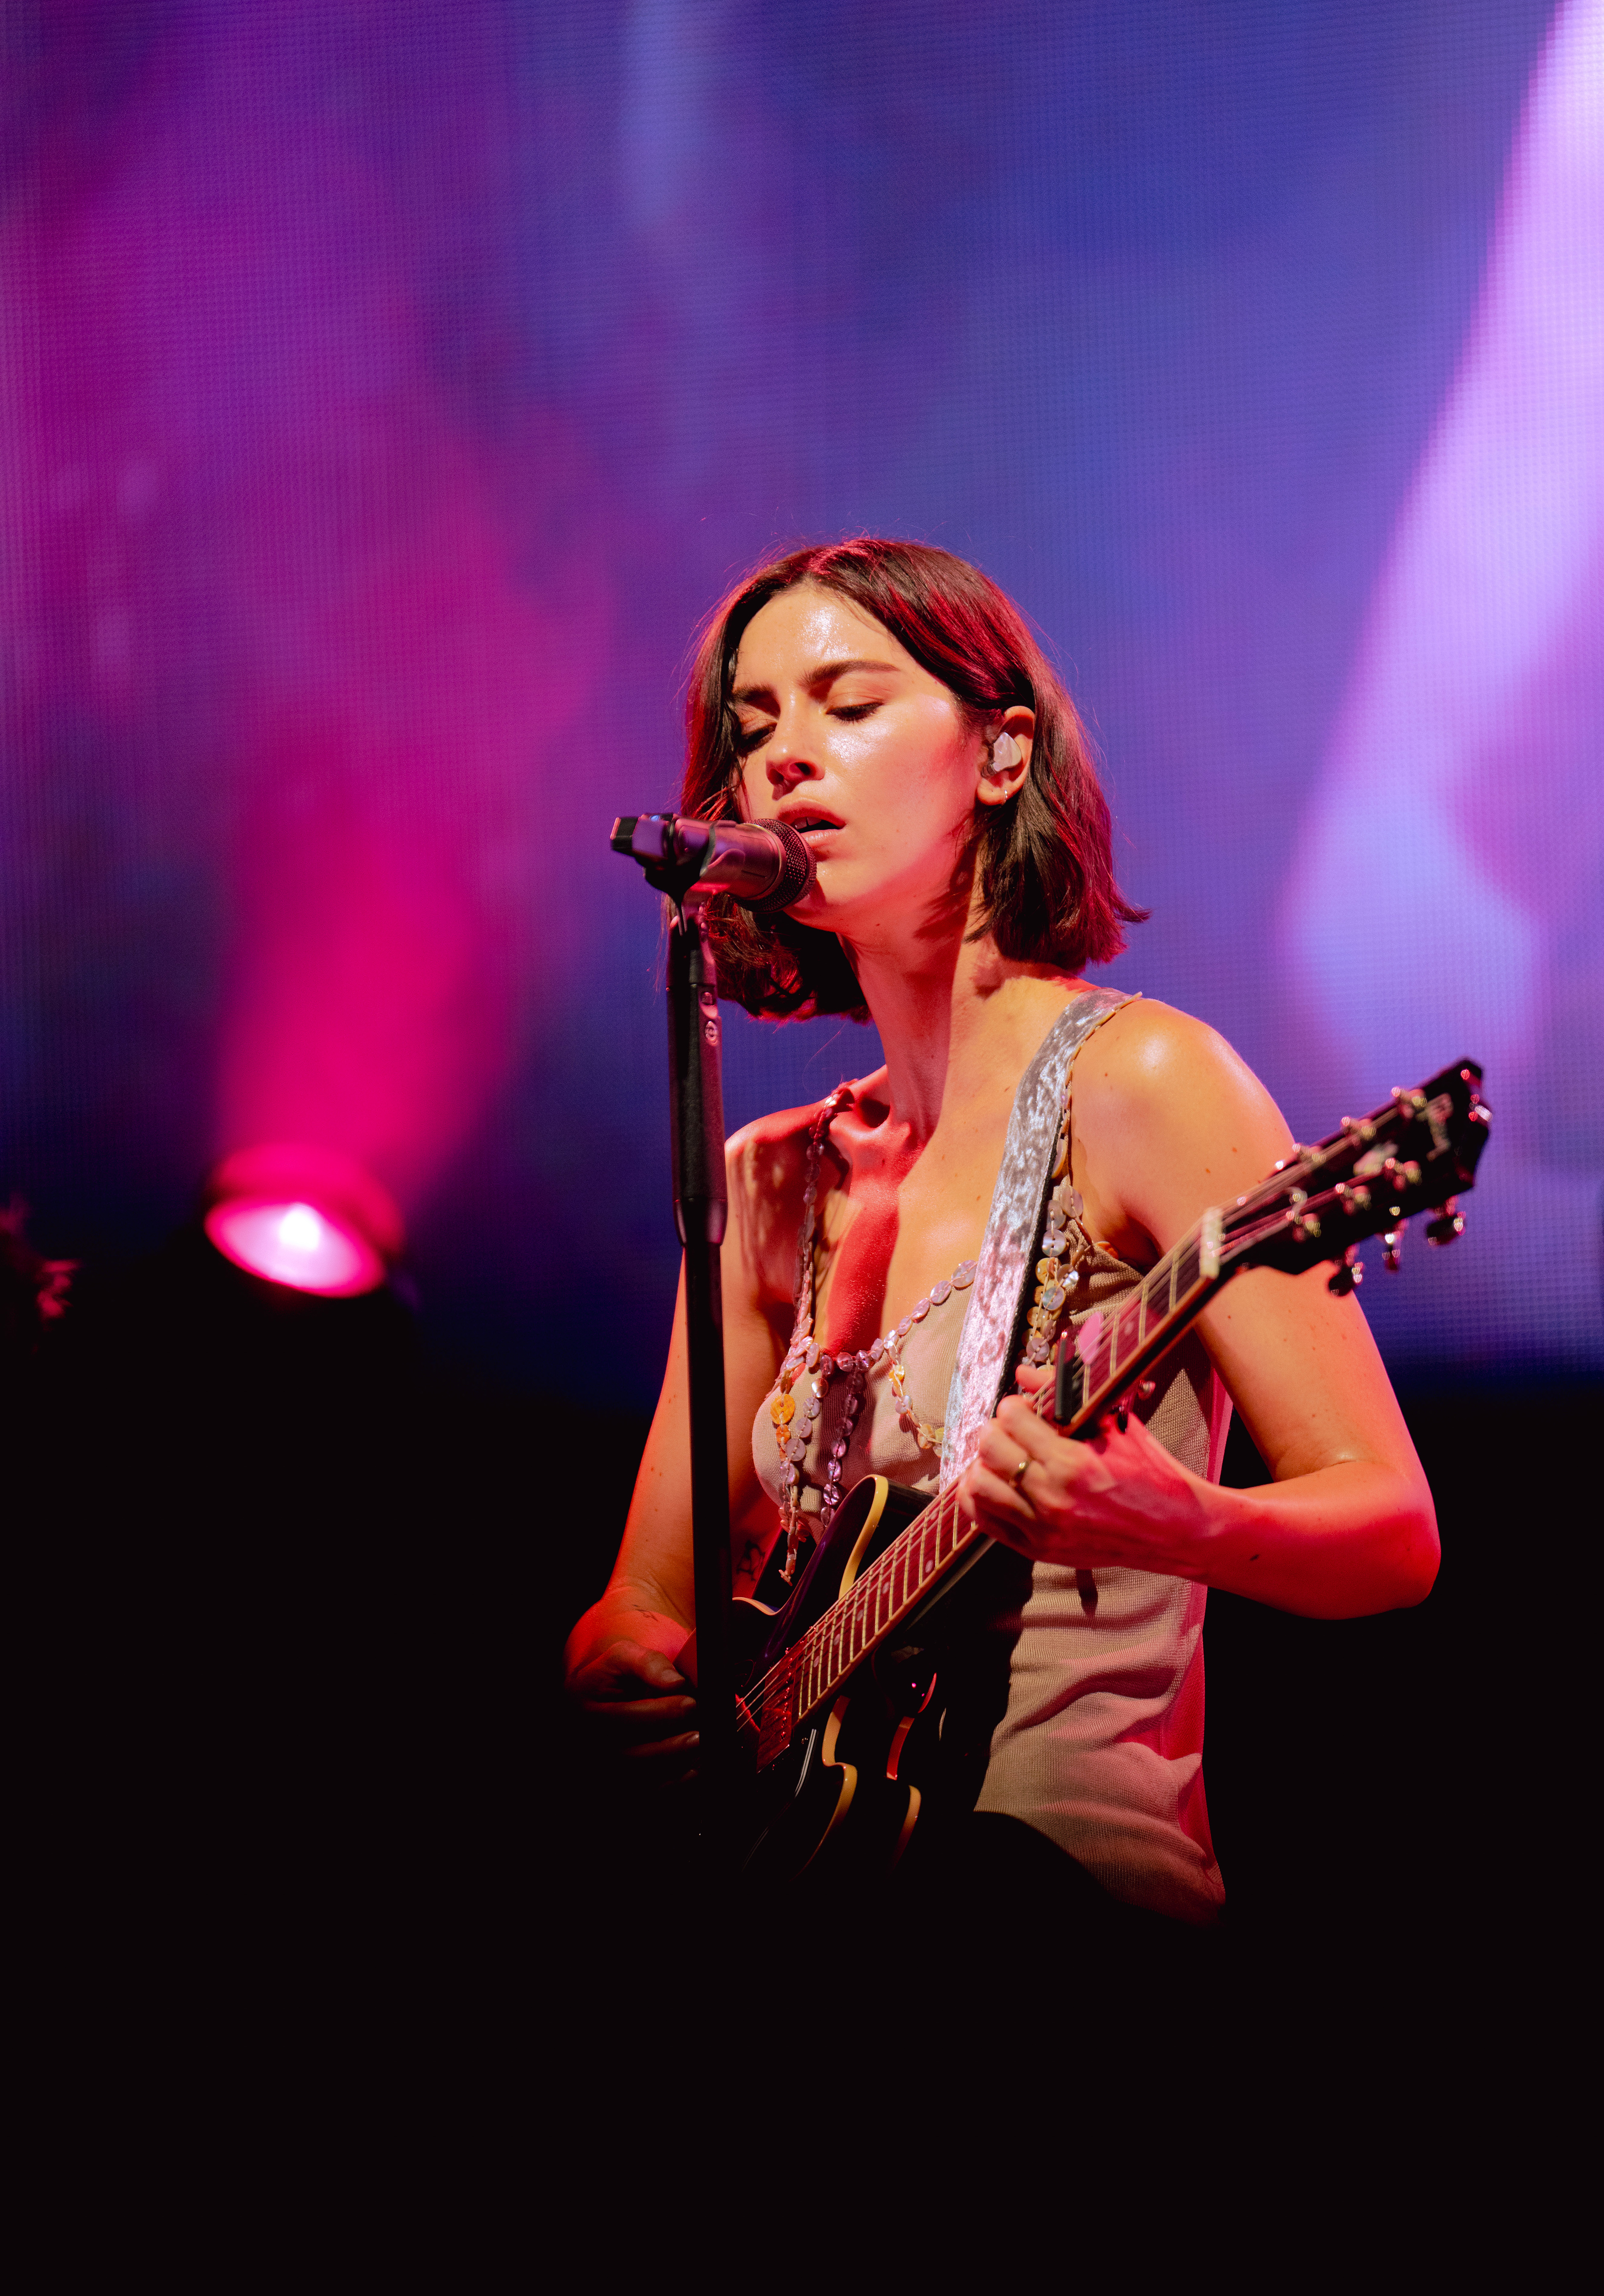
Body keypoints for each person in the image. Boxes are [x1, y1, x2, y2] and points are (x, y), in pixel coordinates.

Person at [563, 537, 1438, 1939]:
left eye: (846, 707)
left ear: (1000, 753)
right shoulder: (769, 1182)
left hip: (1061, 1916)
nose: (786, 759)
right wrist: (625, 1672)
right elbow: (643, 1602)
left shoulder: (1146, 1085)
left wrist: (1182, 1522)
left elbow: (1390, 1530)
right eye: (754, 727)